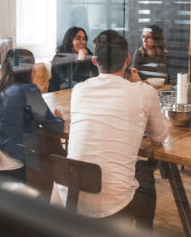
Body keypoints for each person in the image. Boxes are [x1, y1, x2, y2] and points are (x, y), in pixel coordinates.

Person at [54, 30, 168, 230]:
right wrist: (138, 84)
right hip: (113, 205)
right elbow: (159, 138)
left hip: (69, 197)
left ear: (95, 61)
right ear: (127, 59)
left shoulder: (79, 90)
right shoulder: (144, 92)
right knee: (145, 173)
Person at [0, 48, 65, 182]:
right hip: (10, 165)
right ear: (28, 70)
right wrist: (59, 118)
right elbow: (55, 128)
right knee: (48, 149)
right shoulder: (28, 91)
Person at [48, 27, 98, 92]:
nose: (82, 42)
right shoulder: (59, 57)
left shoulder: (86, 53)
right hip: (59, 93)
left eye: (84, 39)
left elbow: (97, 73)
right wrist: (80, 60)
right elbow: (73, 82)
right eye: (78, 38)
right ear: (70, 40)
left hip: (80, 92)